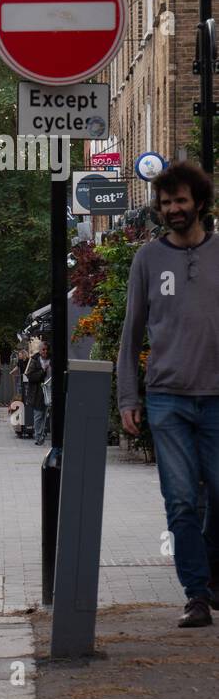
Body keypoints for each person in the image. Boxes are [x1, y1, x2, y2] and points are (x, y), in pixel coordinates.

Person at [117, 161, 219, 629]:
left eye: (180, 200)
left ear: (198, 201)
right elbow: (131, 331)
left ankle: (210, 576)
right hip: (166, 399)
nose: (173, 209)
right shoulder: (147, 260)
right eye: (165, 203)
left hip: (217, 396)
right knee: (180, 499)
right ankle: (196, 594)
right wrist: (127, 397)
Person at [26, 342, 52, 446]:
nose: (45, 352)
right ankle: (38, 437)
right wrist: (42, 371)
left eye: (46, 349)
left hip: (50, 389)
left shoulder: (52, 360)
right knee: (39, 415)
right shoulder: (34, 360)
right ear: (39, 350)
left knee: (48, 414)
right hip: (38, 392)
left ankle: (46, 435)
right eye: (43, 350)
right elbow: (30, 376)